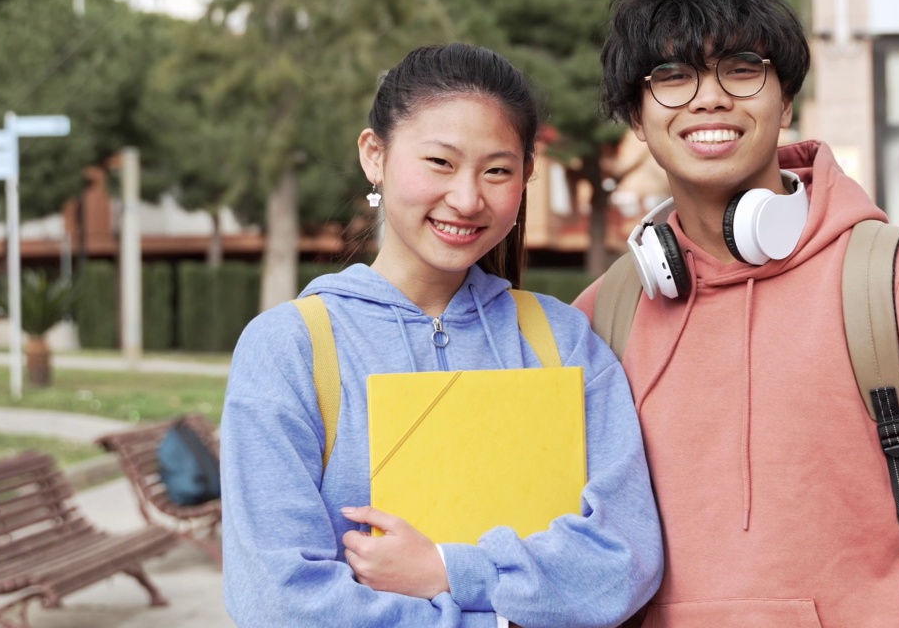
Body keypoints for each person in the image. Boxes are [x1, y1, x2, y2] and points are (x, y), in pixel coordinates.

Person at [573, 0, 899, 626]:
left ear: (786, 100)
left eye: (741, 69)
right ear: (636, 118)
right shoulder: (602, 317)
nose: (710, 98)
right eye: (672, 77)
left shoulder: (897, 285)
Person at [222, 43, 663, 628]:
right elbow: (280, 600)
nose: (466, 197)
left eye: (498, 170)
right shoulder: (291, 350)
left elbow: (624, 559)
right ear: (374, 155)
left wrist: (448, 569)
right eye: (440, 162)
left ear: (526, 176)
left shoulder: (563, 339)